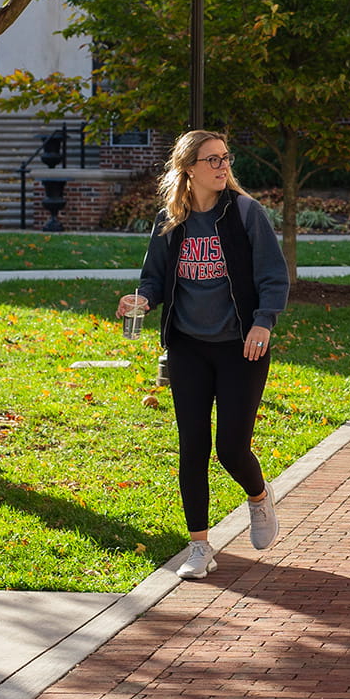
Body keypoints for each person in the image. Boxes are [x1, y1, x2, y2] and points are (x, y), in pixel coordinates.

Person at [119, 130, 290, 581]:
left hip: (240, 346)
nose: (222, 167)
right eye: (212, 160)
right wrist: (140, 300)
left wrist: (263, 321)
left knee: (231, 447)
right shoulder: (170, 220)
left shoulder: (246, 214)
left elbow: (274, 275)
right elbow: (153, 279)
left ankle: (257, 496)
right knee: (192, 447)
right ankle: (199, 546)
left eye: (225, 158)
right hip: (188, 347)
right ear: (188, 168)